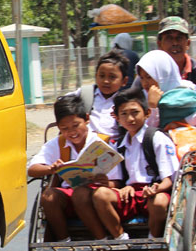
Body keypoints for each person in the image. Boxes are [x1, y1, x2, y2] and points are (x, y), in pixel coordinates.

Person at [28, 95, 120, 241]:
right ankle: (64, 240)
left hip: (99, 196)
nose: (71, 132)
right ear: (58, 127)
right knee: (48, 196)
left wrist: (106, 183)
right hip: (69, 196)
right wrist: (51, 169)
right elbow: (32, 169)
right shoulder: (58, 143)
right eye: (65, 128)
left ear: (87, 119)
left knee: (81, 194)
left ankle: (101, 240)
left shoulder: (103, 143)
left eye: (76, 125)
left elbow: (118, 182)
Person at [92, 88, 179, 240]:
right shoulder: (118, 144)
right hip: (130, 193)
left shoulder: (156, 138)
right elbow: (116, 180)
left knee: (159, 203)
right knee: (100, 195)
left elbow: (169, 179)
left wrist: (155, 188)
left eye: (135, 112)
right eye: (124, 114)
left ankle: (154, 240)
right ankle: (120, 239)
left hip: (154, 191)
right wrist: (117, 186)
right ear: (117, 117)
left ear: (147, 113)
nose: (130, 119)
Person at [68, 49, 129, 138]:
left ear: (124, 81)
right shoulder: (85, 94)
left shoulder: (126, 102)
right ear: (96, 76)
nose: (106, 81)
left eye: (112, 77)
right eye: (101, 76)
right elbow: (61, 103)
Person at [134, 50, 196, 127]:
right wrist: (153, 108)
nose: (145, 83)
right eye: (142, 78)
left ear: (163, 73)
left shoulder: (187, 88)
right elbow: (146, 130)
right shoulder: (142, 98)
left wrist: (180, 123)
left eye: (149, 77)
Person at [157, 16, 196, 84]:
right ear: (160, 44)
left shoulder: (194, 69)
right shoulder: (152, 72)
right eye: (169, 38)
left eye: (179, 38)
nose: (175, 43)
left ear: (188, 43)